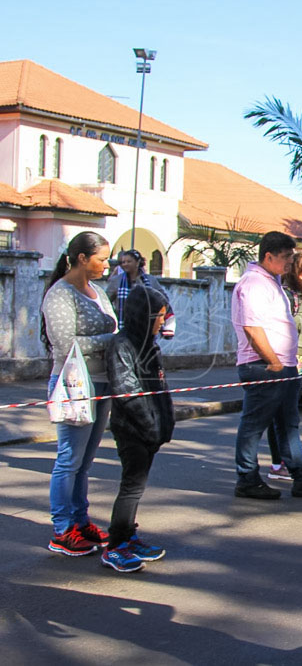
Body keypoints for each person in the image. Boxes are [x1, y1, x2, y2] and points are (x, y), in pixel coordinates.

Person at [231, 231, 302, 499]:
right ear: (269, 256)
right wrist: (274, 362)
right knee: (254, 425)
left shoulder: (272, 282)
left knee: (288, 423)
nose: (291, 262)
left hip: (284, 366)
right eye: (286, 257)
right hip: (264, 366)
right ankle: (247, 478)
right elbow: (252, 329)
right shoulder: (254, 283)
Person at [40, 231, 117, 556]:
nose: (106, 264)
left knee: (84, 462)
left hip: (101, 383)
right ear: (82, 258)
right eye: (101, 258)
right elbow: (65, 344)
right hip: (74, 384)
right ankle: (61, 530)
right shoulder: (60, 295)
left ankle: (80, 519)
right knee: (68, 460)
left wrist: (114, 335)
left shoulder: (97, 291)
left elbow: (113, 324)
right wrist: (111, 339)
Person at [101, 286, 174, 573]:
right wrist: (150, 427)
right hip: (132, 429)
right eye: (158, 316)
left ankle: (129, 536)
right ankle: (116, 546)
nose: (162, 322)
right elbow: (127, 393)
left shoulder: (148, 343)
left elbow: (159, 387)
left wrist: (165, 423)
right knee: (131, 487)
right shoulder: (123, 345)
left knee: (137, 486)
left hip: (150, 430)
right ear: (144, 315)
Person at [265, 253, 302, 481]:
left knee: (289, 413)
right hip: (289, 362)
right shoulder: (287, 298)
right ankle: (279, 463)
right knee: (281, 415)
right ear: (300, 274)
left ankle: (287, 460)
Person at [106, 249, 175, 338]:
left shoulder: (150, 280)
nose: (125, 264)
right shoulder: (117, 281)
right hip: (123, 327)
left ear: (137, 262)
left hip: (146, 326)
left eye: (129, 261)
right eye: (123, 262)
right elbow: (107, 301)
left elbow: (163, 299)